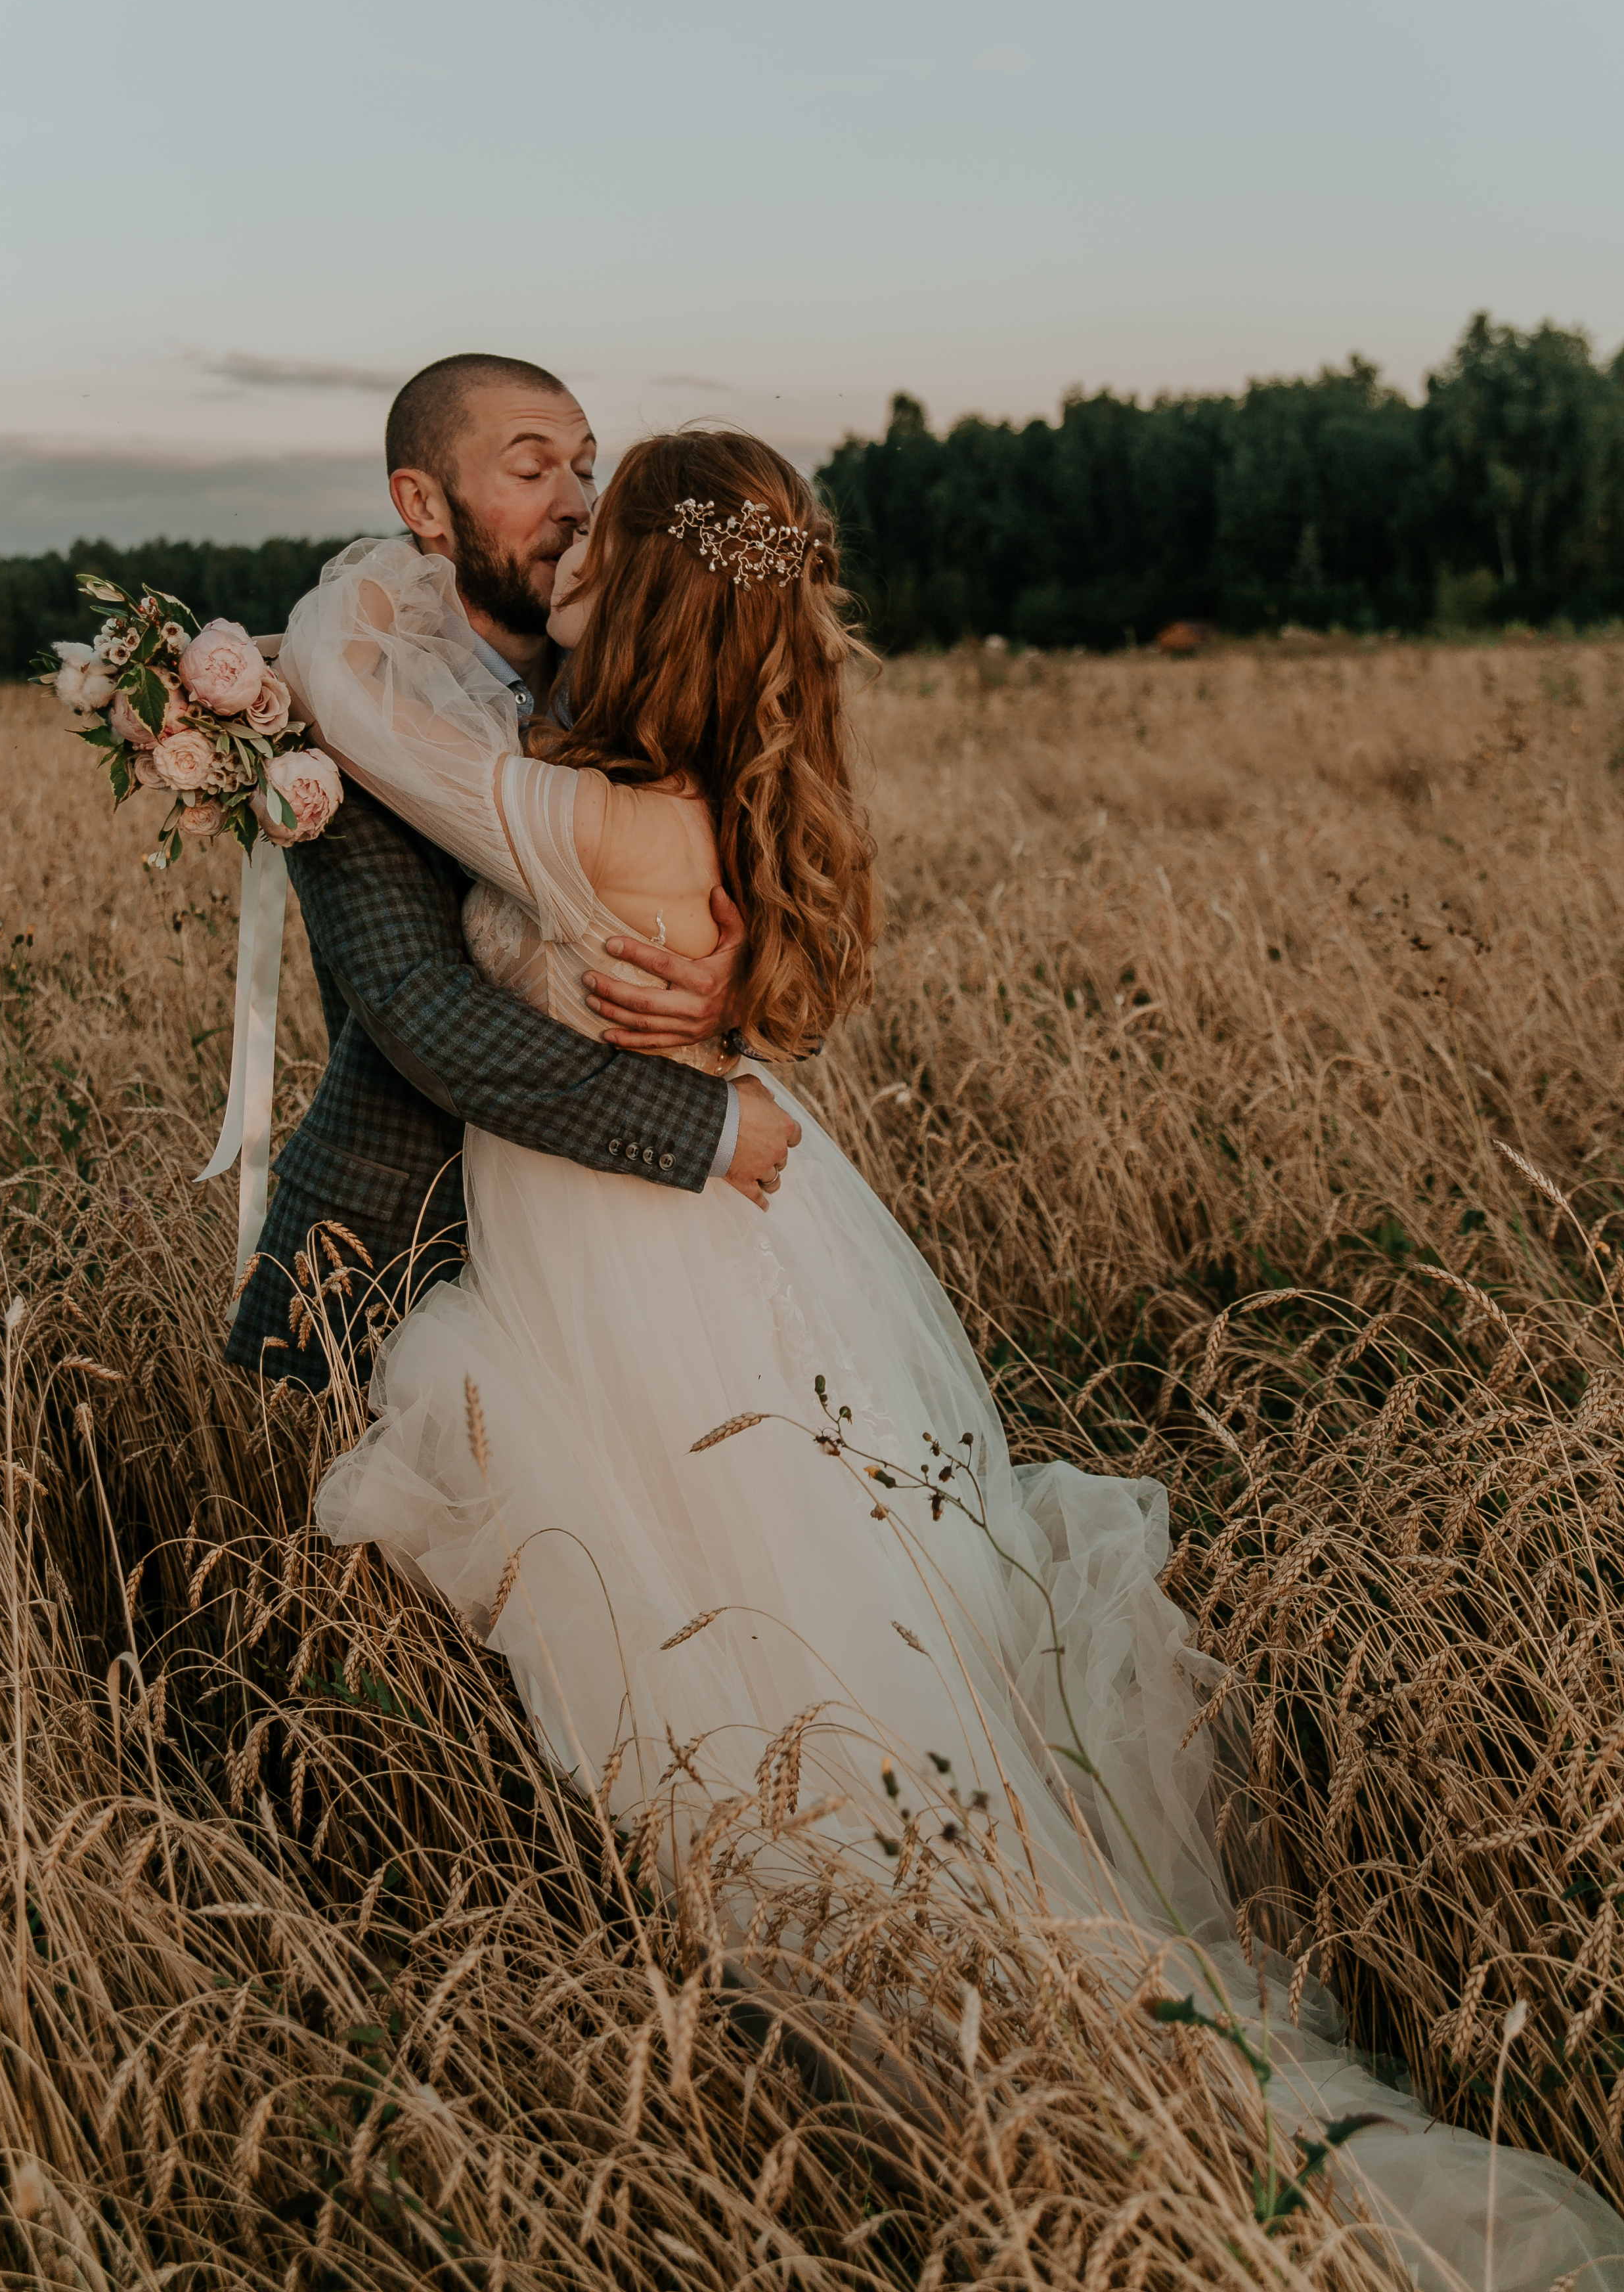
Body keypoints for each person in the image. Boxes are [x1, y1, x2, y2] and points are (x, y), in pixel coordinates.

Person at [297, 425, 1623, 2289]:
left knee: (748, 1613)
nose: (572, 533)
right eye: (559, 498)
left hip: (649, 1255)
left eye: (603, 518)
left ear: (655, 594)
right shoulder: (673, 783)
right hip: (697, 1232)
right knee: (809, 1573)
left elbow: (349, 698)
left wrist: (329, 608)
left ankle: (1012, 2021)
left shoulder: (614, 824)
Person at [225, 355, 801, 1393]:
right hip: (400, 1244)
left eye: (587, 469)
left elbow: (790, 904)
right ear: (423, 507)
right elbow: (421, 1005)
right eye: (533, 472)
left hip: (650, 1256)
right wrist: (706, 1127)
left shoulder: (655, 688)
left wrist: (741, 980)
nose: (576, 506)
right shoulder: (341, 723)